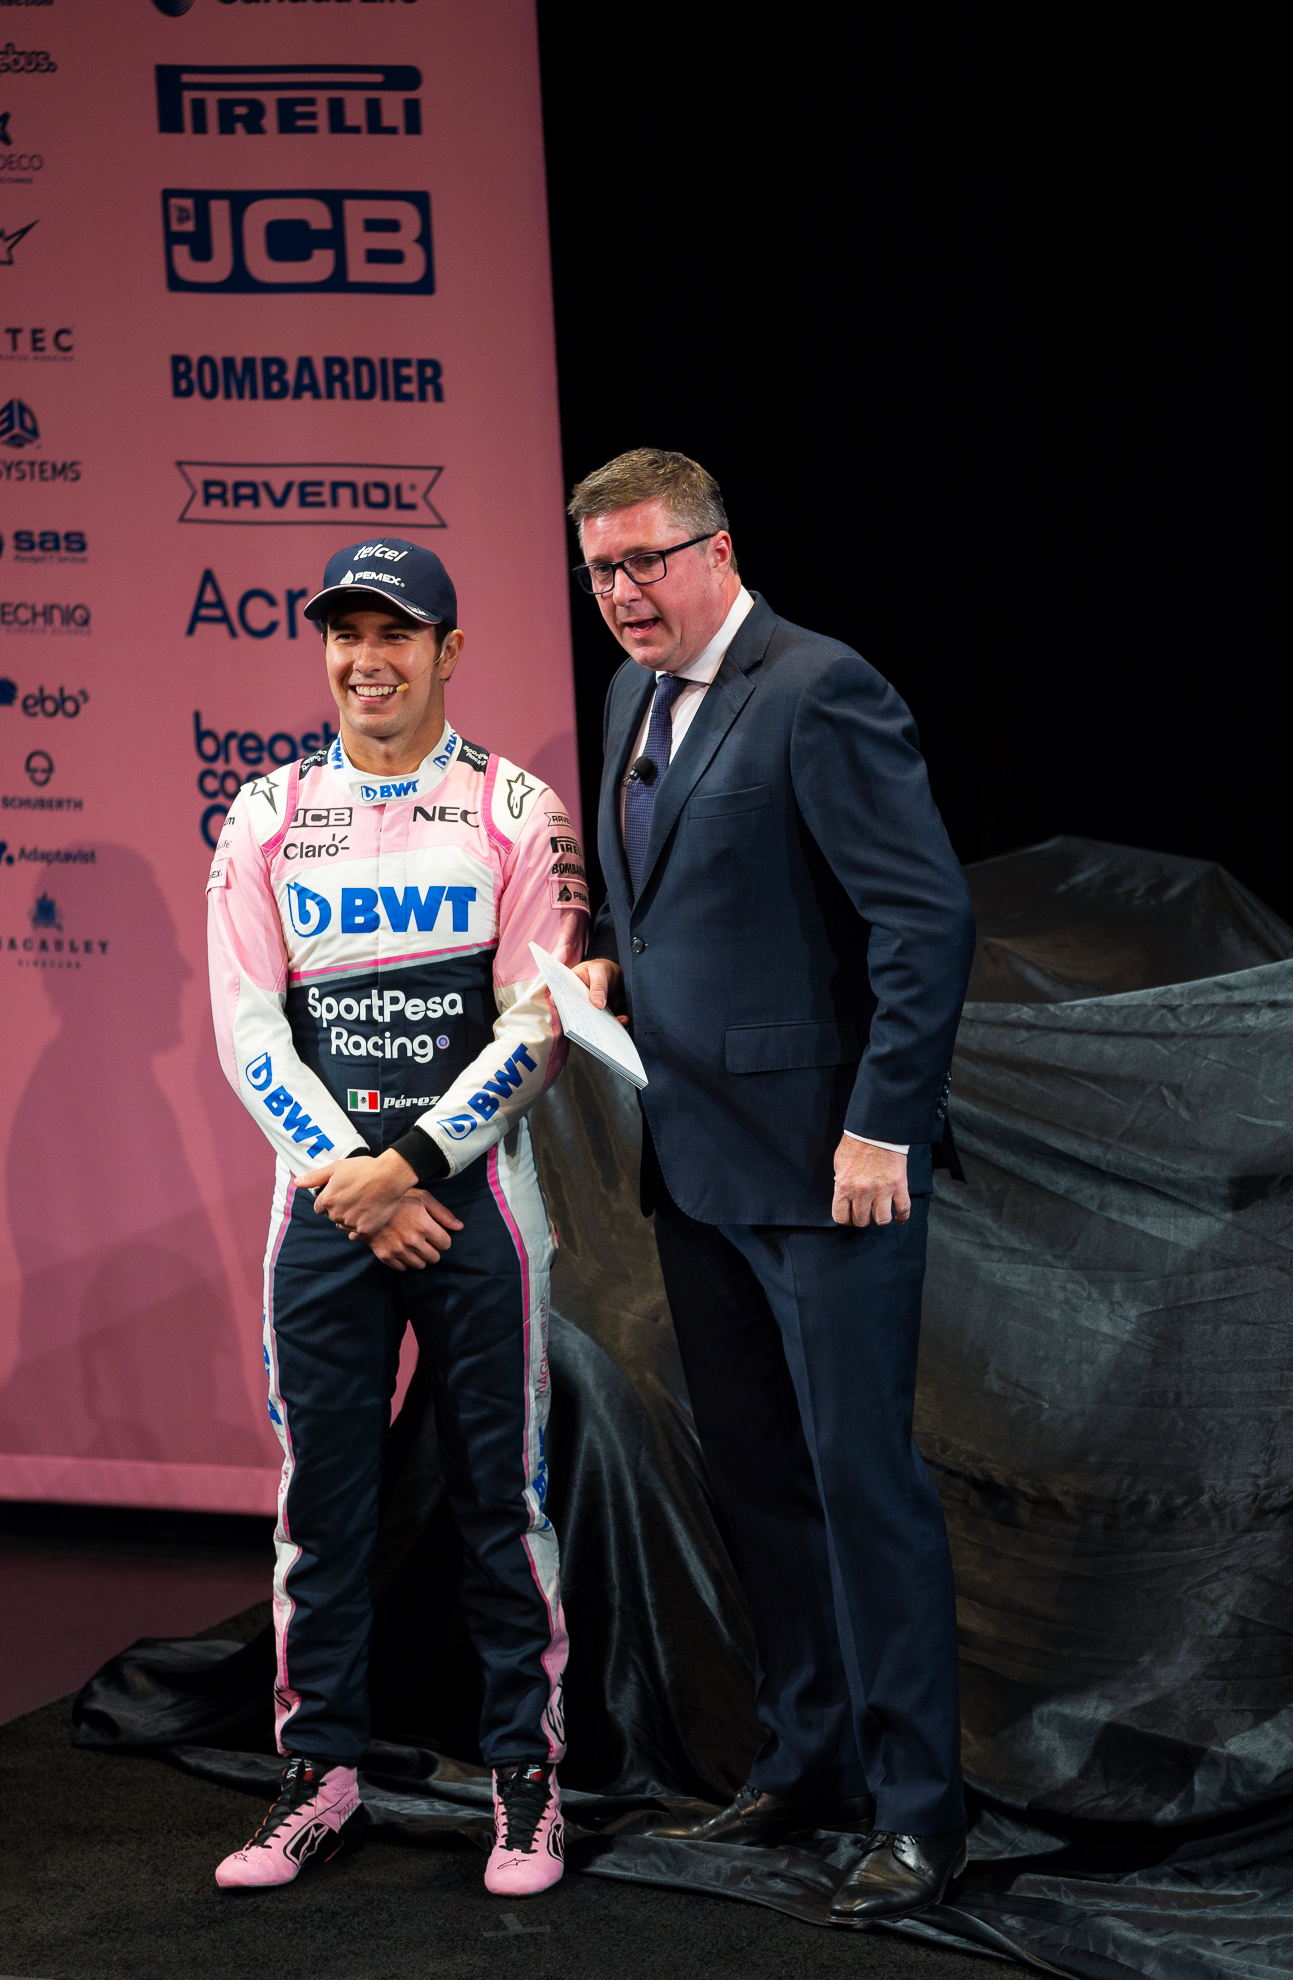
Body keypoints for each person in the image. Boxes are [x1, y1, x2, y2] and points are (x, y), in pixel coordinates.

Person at [569, 451, 976, 1925]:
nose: (622, 594)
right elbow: (666, 890)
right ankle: (812, 1761)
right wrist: (610, 959)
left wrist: (884, 1127)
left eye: (646, 563)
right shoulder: (630, 697)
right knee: (760, 1483)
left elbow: (925, 921)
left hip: (829, 1175)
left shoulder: (820, 687)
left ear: (718, 550)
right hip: (695, 1164)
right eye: (601, 570)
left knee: (865, 1489)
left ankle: (923, 1811)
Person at [206, 536, 586, 1898]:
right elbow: (248, 1030)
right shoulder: (260, 815)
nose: (368, 659)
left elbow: (541, 1026)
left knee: (503, 1501)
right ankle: (322, 1775)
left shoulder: (517, 809)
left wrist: (411, 1163)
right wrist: (350, 1181)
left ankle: (526, 1781)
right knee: (325, 1504)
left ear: (449, 651)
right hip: (322, 1210)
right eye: (345, 634)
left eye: (397, 634)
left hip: (474, 1196)